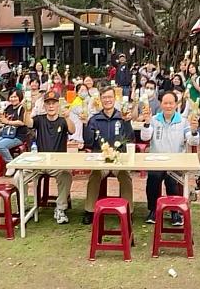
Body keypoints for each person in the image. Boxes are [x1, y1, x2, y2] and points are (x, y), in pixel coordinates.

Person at [139, 91, 199, 225]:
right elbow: (145, 137)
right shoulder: (154, 119)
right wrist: (147, 122)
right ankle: (153, 210)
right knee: (153, 179)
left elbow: (192, 141)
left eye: (171, 103)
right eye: (165, 103)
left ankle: (175, 211)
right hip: (156, 162)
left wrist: (194, 131)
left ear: (176, 104)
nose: (168, 106)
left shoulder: (183, 121)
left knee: (172, 181)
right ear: (161, 104)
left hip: (175, 163)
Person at [81, 86, 135, 225]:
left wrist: (127, 122)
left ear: (114, 98)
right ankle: (89, 210)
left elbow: (130, 139)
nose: (107, 100)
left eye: (110, 97)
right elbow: (88, 142)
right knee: (94, 176)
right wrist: (85, 125)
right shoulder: (95, 119)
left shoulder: (122, 116)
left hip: (118, 159)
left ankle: (128, 211)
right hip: (101, 159)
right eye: (104, 97)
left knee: (125, 177)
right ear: (100, 100)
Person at [23, 91, 75, 224]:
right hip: (39, 162)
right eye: (48, 103)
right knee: (20, 176)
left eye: (54, 103)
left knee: (66, 175)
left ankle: (60, 208)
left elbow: (72, 130)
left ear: (58, 105)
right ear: (44, 106)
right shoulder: (40, 119)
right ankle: (24, 206)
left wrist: (68, 117)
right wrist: (27, 111)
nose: (51, 106)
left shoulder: (63, 120)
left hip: (57, 163)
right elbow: (28, 123)